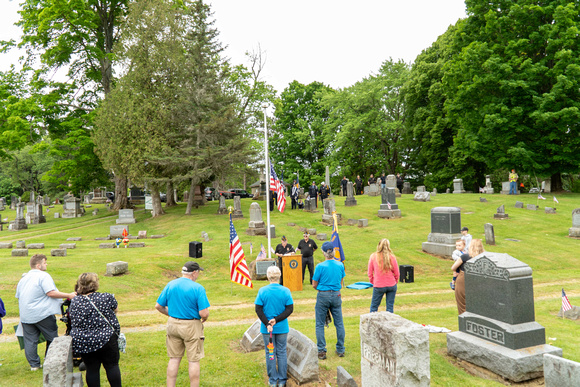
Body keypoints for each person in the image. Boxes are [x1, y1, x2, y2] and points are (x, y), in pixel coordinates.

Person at [15, 254, 76, 371]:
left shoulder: (23, 279)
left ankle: (34, 365)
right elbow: (50, 292)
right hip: (42, 313)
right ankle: (51, 361)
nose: (46, 264)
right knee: (52, 337)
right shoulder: (43, 276)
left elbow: (18, 296)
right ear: (39, 265)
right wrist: (69, 295)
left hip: (26, 315)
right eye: (44, 262)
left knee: (30, 340)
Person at [155, 261, 210, 387]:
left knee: (174, 359)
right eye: (198, 272)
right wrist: (205, 318)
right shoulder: (198, 288)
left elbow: (158, 306)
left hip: (173, 324)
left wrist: (172, 314)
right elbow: (204, 313)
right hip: (191, 326)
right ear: (194, 273)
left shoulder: (171, 284)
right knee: (193, 360)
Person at [69, 273, 122, 387]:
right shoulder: (106, 297)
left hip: (84, 340)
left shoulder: (75, 301)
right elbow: (115, 309)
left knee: (91, 369)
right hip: (106, 337)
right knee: (112, 366)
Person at [255, 266, 294, 387]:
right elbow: (289, 309)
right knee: (282, 352)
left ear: (268, 276)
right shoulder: (286, 291)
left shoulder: (262, 291)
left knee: (270, 352)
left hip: (267, 329)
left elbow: (258, 309)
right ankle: (282, 380)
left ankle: (273, 380)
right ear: (279, 276)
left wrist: (267, 323)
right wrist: (276, 320)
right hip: (281, 326)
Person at [312, 242, 345, 360]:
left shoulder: (320, 266)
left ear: (323, 253)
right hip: (336, 294)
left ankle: (321, 350)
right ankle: (340, 349)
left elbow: (314, 284)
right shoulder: (340, 265)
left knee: (319, 324)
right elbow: (341, 282)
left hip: (323, 295)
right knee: (339, 323)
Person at [451, 239, 484, 314]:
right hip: (479, 281)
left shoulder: (465, 257)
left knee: (462, 305)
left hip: (463, 280)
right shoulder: (484, 258)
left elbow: (453, 268)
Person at [367, 239, 399, 313]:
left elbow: (370, 272)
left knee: (374, 307)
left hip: (379, 285)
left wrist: (372, 281)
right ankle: (389, 323)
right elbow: (397, 272)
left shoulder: (373, 256)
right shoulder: (392, 257)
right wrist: (396, 280)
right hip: (391, 284)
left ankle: (372, 323)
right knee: (390, 307)